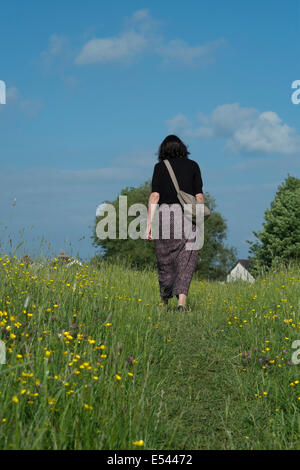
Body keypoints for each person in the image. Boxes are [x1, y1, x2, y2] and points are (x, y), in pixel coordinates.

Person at [147, 135, 205, 311]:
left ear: (163, 150)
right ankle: (181, 302)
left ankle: (164, 303)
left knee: (164, 259)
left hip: (164, 215)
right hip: (187, 215)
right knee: (187, 258)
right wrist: (200, 220)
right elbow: (199, 196)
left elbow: (155, 196)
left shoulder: (159, 167)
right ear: (182, 148)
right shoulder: (193, 166)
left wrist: (149, 225)